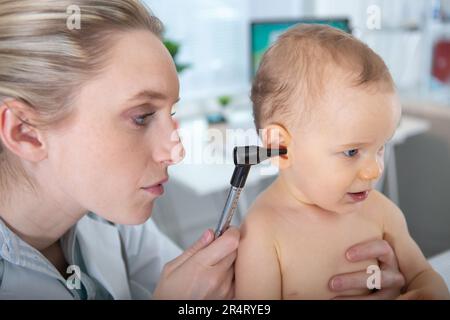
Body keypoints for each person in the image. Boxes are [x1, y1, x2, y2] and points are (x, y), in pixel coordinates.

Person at [0, 0, 404, 300]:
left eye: (170, 112)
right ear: (26, 132)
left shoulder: (115, 226)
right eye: (141, 117)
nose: (175, 152)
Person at [235, 24, 450, 300]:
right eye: (351, 152)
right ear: (281, 147)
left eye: (381, 147)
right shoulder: (262, 233)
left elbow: (425, 277)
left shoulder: (383, 214)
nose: (375, 170)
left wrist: (427, 292)